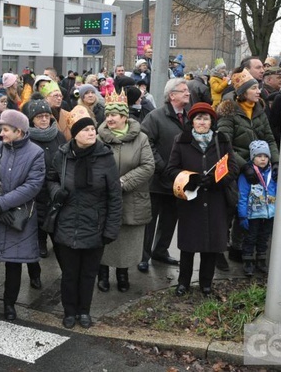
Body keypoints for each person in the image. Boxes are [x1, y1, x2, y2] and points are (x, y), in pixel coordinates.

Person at [47, 109, 122, 329]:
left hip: (95, 225)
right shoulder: (62, 154)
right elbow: (50, 179)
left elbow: (114, 197)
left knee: (88, 274)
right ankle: (69, 312)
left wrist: (110, 229)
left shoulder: (105, 157)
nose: (92, 133)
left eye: (92, 129)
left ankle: (84, 311)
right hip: (66, 223)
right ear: (75, 133)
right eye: (86, 130)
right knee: (69, 274)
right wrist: (55, 192)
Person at [0, 109, 45, 321]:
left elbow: (32, 186)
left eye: (5, 130)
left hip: (17, 216)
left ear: (19, 131)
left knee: (15, 264)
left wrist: (2, 203)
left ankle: (9, 304)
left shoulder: (35, 153)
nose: (1, 133)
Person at [166, 102, 238, 296]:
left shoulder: (221, 140)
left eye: (206, 118)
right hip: (191, 201)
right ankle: (184, 282)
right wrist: (190, 179)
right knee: (189, 244)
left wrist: (216, 181)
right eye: (198, 118)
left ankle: (206, 283)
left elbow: (233, 167)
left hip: (216, 200)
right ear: (192, 121)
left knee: (211, 245)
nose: (202, 122)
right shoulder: (181, 140)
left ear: (211, 122)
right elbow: (171, 169)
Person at [216, 69, 279, 262]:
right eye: (253, 88)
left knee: (249, 209)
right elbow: (224, 143)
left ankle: (239, 248)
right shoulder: (230, 111)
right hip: (235, 169)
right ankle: (219, 252)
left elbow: (269, 138)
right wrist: (244, 166)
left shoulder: (260, 111)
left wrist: (275, 162)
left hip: (258, 169)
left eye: (258, 87)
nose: (258, 90)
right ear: (243, 92)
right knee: (229, 210)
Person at [96, 90, 155, 293]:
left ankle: (123, 274)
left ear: (124, 117)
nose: (109, 118)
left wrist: (123, 182)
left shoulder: (141, 138)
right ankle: (102, 273)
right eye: (107, 115)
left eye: (114, 115)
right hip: (103, 197)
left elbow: (148, 166)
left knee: (127, 240)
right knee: (104, 235)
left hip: (132, 198)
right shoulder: (98, 138)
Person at [139, 78, 190, 272]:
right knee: (150, 220)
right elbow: (146, 143)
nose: (188, 93)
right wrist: (162, 167)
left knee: (170, 219)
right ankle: (143, 256)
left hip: (179, 181)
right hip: (157, 180)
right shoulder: (155, 117)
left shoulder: (188, 117)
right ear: (172, 95)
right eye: (183, 90)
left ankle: (161, 251)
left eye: (187, 90)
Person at [23, 94, 67, 267]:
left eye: (47, 116)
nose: (44, 119)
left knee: (55, 215)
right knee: (39, 217)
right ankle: (40, 242)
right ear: (32, 120)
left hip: (55, 183)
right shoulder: (27, 137)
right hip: (36, 185)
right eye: (39, 116)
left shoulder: (59, 135)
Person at [237, 140, 277, 276]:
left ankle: (261, 259)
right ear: (253, 157)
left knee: (264, 238)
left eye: (265, 156)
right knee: (250, 238)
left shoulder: (273, 174)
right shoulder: (247, 174)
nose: (263, 159)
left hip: (269, 213)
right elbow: (242, 195)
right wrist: (242, 215)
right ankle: (248, 261)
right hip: (252, 214)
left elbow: (276, 191)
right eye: (259, 156)